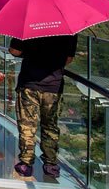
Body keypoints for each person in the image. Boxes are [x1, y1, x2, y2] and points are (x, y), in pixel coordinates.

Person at [9, 34, 78, 178]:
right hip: (53, 86)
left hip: (29, 84)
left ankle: (26, 163)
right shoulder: (69, 31)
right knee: (50, 126)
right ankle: (51, 164)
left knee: (27, 125)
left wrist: (29, 53)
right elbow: (68, 59)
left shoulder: (28, 25)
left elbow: (15, 51)